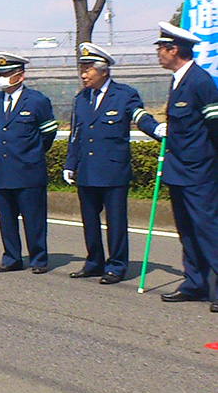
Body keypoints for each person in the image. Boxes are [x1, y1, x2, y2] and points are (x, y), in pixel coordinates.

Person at [63, 43, 161, 284]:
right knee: (89, 220)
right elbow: (76, 134)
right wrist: (70, 163)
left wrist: (157, 129)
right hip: (86, 169)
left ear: (103, 70)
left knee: (116, 221)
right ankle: (94, 262)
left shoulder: (124, 94)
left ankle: (116, 265)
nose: (84, 75)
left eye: (88, 69)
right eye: (82, 69)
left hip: (113, 170)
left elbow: (139, 116)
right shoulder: (81, 98)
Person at [154, 22, 218, 312]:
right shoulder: (178, 79)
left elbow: (214, 126)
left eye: (161, 49)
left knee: (208, 229)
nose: (158, 54)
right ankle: (194, 283)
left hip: (199, 171)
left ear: (174, 49)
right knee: (187, 231)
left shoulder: (200, 81)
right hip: (178, 169)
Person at [0, 52, 58, 274]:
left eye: (7, 74)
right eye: (0, 74)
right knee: (6, 219)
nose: (2, 78)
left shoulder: (37, 101)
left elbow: (48, 134)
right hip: (2, 170)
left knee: (34, 219)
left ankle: (38, 258)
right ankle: (11, 257)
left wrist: (31, 153)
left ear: (20, 75)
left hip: (28, 170)